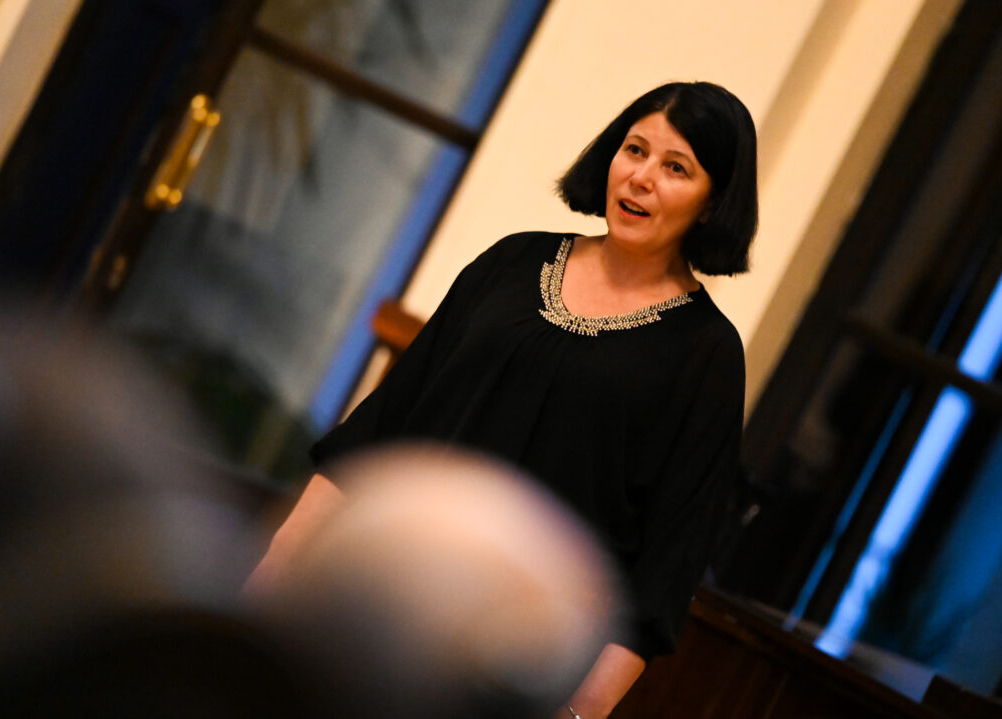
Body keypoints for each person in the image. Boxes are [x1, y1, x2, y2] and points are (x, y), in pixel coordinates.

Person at [246, 80, 758, 718]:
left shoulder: (708, 354)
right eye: (634, 150)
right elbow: (377, 430)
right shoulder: (512, 262)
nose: (641, 178)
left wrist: (579, 714)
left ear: (712, 205)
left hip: (513, 669)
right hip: (373, 597)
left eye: (676, 168)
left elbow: (665, 571)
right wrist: (273, 570)